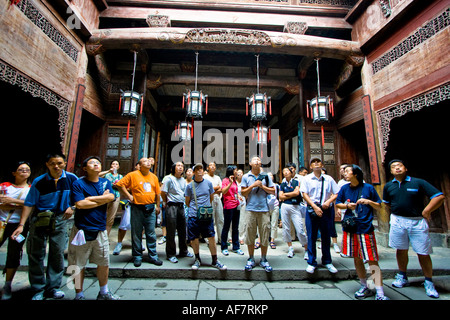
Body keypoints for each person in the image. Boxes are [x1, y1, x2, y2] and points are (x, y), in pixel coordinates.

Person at [12, 153, 78, 300]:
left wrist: (72, 207)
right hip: (40, 218)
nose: (56, 166)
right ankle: (37, 288)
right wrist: (21, 225)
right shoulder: (39, 181)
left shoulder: (72, 179)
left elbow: (79, 197)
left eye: (59, 163)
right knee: (36, 254)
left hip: (61, 219)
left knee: (57, 253)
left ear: (65, 163)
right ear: (47, 164)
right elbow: (30, 203)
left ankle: (53, 287)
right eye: (52, 163)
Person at [383, 159, 445, 298]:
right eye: (394, 167)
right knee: (401, 249)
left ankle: (428, 281)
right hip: (398, 221)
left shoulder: (418, 182)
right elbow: (387, 203)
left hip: (417, 221)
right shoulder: (388, 186)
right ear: (391, 171)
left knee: (423, 251)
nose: (397, 168)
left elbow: (439, 196)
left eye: (400, 166)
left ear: (405, 168)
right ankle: (402, 276)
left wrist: (427, 211)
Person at [69, 156, 119, 300]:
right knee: (78, 263)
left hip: (100, 229)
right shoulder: (79, 183)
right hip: (81, 229)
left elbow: (111, 197)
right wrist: (101, 199)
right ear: (85, 168)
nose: (96, 164)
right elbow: (80, 205)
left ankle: (104, 292)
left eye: (98, 162)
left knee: (103, 262)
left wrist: (90, 199)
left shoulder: (105, 182)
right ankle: (79, 294)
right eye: (92, 163)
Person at [336, 164, 389, 300]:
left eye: (347, 171)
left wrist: (367, 201)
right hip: (351, 227)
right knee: (357, 258)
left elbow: (379, 205)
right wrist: (347, 205)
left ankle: (380, 291)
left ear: (356, 173)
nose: (344, 173)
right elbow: (338, 203)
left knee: (372, 259)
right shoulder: (344, 188)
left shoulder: (368, 188)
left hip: (365, 227)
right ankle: (364, 285)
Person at [115, 158, 162, 267]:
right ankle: (137, 256)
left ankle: (153, 256)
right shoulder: (133, 175)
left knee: (151, 233)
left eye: (149, 161)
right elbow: (119, 184)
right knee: (136, 233)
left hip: (150, 208)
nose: (148, 162)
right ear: (139, 166)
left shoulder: (153, 177)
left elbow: (157, 193)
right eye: (145, 161)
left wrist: (157, 206)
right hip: (137, 208)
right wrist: (128, 195)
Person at [300, 157, 339, 274]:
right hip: (312, 209)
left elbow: (337, 192)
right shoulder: (307, 179)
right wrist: (314, 206)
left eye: (318, 162)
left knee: (326, 236)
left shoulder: (328, 179)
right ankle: (312, 262)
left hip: (326, 209)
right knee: (311, 236)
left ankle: (327, 261)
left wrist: (328, 201)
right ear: (311, 166)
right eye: (313, 163)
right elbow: (304, 194)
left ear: (322, 165)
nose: (316, 164)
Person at [185, 163, 226, 270]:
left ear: (203, 171)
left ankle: (215, 260)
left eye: (201, 169)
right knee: (194, 238)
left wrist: (204, 208)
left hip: (206, 215)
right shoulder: (190, 186)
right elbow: (187, 202)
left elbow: (211, 197)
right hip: (194, 215)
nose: (199, 171)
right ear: (193, 172)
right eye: (197, 169)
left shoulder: (208, 184)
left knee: (211, 237)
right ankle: (197, 259)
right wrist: (196, 209)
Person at [0, 161, 31, 300]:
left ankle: (7, 285)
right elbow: (2, 202)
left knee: (14, 253)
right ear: (14, 172)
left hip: (19, 225)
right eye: (21, 169)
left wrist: (13, 202)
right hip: (1, 223)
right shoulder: (5, 186)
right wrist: (22, 205)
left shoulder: (31, 189)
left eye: (27, 169)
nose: (24, 171)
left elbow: (33, 204)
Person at [241, 156, 275, 272]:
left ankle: (264, 258)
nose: (257, 161)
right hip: (250, 209)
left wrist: (262, 186)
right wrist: (252, 186)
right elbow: (243, 192)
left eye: (259, 160)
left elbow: (273, 191)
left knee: (264, 234)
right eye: (254, 160)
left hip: (264, 209)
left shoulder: (265, 176)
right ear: (250, 163)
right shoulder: (246, 176)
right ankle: (250, 258)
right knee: (250, 234)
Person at [161, 162, 193, 263]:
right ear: (174, 168)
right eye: (178, 166)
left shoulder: (183, 180)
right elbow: (163, 192)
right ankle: (170, 254)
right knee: (171, 231)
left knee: (182, 230)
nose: (180, 168)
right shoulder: (169, 179)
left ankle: (183, 251)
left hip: (181, 206)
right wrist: (165, 202)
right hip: (172, 206)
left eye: (182, 166)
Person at [279, 167, 307, 259]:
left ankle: (307, 249)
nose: (285, 173)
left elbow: (296, 193)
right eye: (284, 172)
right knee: (286, 228)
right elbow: (280, 196)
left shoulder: (296, 182)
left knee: (300, 228)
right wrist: (290, 194)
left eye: (287, 171)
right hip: (285, 206)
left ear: (291, 173)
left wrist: (286, 194)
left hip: (295, 206)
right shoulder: (282, 184)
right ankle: (290, 247)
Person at [220, 165, 243, 256]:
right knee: (226, 227)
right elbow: (223, 191)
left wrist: (238, 196)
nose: (237, 171)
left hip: (236, 205)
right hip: (228, 206)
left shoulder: (235, 181)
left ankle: (236, 247)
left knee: (235, 227)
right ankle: (224, 247)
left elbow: (235, 192)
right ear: (231, 171)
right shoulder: (225, 180)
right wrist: (229, 182)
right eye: (235, 170)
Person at [100, 160, 123, 236]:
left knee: (111, 218)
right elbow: (98, 175)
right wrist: (108, 171)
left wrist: (117, 186)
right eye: (113, 164)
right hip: (105, 196)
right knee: (101, 215)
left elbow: (123, 187)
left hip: (116, 196)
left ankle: (106, 236)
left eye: (116, 164)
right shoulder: (107, 175)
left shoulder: (120, 177)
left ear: (119, 167)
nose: (115, 165)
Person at [203, 162, 224, 244]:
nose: (212, 167)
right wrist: (215, 189)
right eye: (210, 165)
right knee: (209, 219)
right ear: (207, 168)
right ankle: (209, 239)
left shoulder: (218, 178)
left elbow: (220, 189)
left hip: (217, 199)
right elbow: (206, 189)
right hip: (208, 200)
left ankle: (220, 239)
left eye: (214, 165)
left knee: (220, 219)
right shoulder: (205, 177)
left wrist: (212, 190)